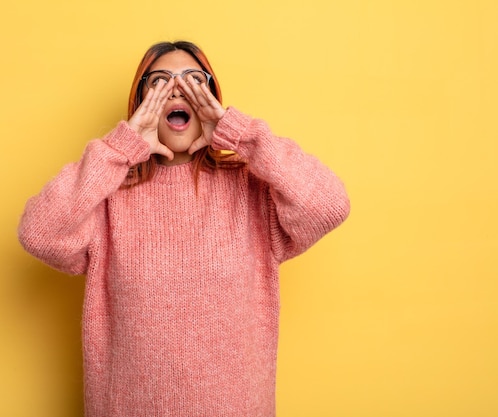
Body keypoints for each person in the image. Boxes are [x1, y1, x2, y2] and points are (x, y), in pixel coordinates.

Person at [18, 40, 350, 416]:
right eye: (160, 81)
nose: (177, 88)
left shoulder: (251, 188)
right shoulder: (107, 195)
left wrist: (239, 135)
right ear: (142, 104)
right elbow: (39, 233)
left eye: (193, 80)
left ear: (210, 98)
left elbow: (329, 205)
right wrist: (120, 148)